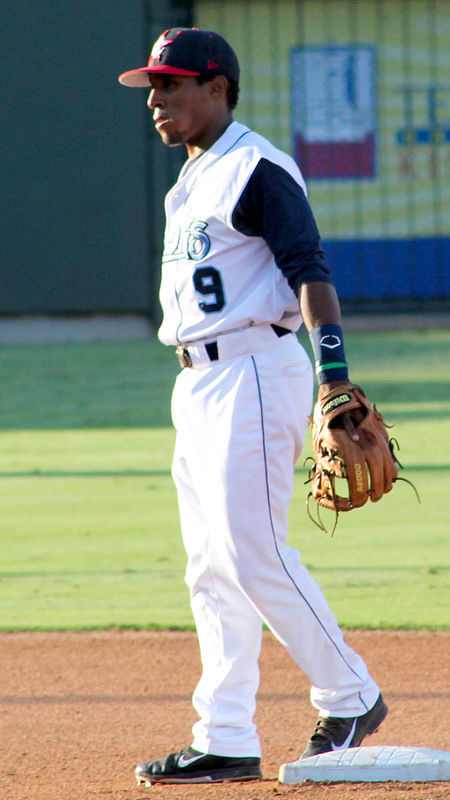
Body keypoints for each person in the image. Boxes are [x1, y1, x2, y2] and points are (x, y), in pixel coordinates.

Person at [118, 27, 388, 786]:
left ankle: (352, 692)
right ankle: (226, 735)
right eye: (154, 88)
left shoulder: (256, 166)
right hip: (197, 382)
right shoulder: (188, 182)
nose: (159, 101)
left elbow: (310, 270)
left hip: (255, 370)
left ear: (218, 87)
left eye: (173, 85)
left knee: (252, 549)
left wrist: (333, 376)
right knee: (209, 566)